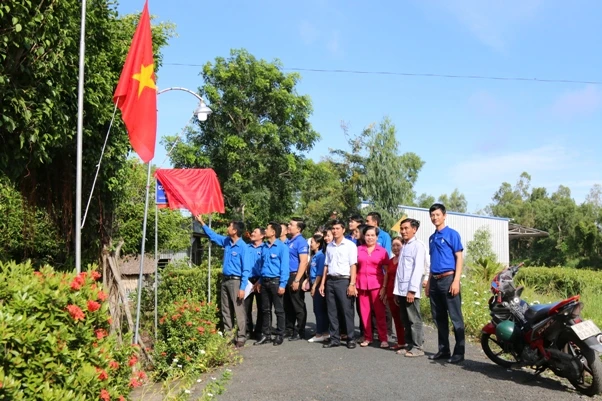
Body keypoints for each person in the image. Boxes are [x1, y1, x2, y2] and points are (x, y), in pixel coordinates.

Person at [196, 215, 250, 348]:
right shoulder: (226, 241)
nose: (227, 228)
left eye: (229, 226)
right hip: (225, 281)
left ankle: (241, 337)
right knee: (226, 309)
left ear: (235, 231)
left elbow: (246, 269)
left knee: (238, 310)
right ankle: (229, 336)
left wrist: (242, 288)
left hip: (236, 282)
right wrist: (202, 222)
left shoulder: (243, 247)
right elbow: (213, 236)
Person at [426, 203, 465, 364]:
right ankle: (443, 349)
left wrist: (456, 281)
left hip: (449, 280)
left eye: (437, 215)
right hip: (435, 280)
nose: (435, 218)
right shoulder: (432, 237)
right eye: (432, 215)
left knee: (455, 318)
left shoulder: (452, 234)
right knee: (439, 318)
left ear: (444, 215)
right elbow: (432, 261)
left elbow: (459, 258)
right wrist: (428, 283)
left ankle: (459, 352)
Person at [319, 219, 358, 349]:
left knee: (347, 310)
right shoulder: (329, 246)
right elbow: (326, 265)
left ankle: (350, 338)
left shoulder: (350, 245)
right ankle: (334, 338)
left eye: (337, 228)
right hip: (331, 280)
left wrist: (352, 284)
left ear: (343, 230)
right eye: (333, 229)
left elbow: (353, 265)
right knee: (332, 311)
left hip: (344, 280)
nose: (335, 231)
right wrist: (322, 283)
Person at [394, 218, 426, 357]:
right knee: (405, 319)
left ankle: (418, 347)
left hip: (410, 290)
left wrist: (412, 290)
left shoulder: (418, 246)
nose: (403, 231)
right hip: (401, 289)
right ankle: (409, 345)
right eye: (402, 228)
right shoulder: (404, 246)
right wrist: (396, 291)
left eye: (406, 228)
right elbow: (400, 271)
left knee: (414, 319)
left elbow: (418, 269)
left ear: (414, 229)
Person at [254, 222, 289, 346]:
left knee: (279, 310)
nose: (265, 230)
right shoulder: (264, 247)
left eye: (267, 229)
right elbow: (263, 266)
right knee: (265, 310)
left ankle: (279, 335)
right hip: (265, 282)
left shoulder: (282, 247)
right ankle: (266, 335)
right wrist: (259, 281)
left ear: (273, 232)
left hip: (276, 282)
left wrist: (282, 285)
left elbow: (285, 268)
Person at [356, 226, 389, 348]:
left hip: (377, 285)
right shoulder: (358, 250)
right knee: (364, 313)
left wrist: (384, 287)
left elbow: (387, 271)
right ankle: (368, 337)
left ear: (376, 237)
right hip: (361, 285)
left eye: (372, 235)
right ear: (364, 236)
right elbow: (354, 267)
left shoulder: (382, 251)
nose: (370, 238)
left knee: (380, 313)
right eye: (367, 235)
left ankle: (383, 338)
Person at [284, 218, 309, 340]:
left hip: (295, 275)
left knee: (297, 304)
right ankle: (289, 329)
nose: (289, 226)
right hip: (286, 276)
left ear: (298, 228)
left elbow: (303, 262)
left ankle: (300, 330)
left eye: (291, 225)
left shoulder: (301, 242)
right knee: (287, 304)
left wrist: (297, 280)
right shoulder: (289, 241)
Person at [380, 237, 406, 350]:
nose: (395, 248)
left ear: (403, 246)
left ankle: (407, 342)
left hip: (400, 292)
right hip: (390, 291)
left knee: (403, 318)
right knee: (395, 318)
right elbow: (387, 275)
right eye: (393, 245)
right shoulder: (391, 261)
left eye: (398, 245)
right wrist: (384, 290)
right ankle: (400, 342)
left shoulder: (404, 260)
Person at [245, 227, 266, 340]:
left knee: (261, 307)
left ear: (262, 236)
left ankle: (259, 330)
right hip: (247, 280)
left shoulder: (265, 248)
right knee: (246, 307)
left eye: (255, 232)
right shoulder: (247, 247)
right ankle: (248, 330)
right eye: (252, 231)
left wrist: (260, 280)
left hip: (260, 280)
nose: (252, 233)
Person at [308, 234, 328, 343]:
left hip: (317, 284)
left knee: (319, 310)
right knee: (318, 309)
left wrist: (314, 286)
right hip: (312, 282)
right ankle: (323, 332)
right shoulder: (314, 256)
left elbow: (319, 273)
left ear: (318, 244)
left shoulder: (321, 256)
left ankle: (320, 333)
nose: (310, 244)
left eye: (312, 242)